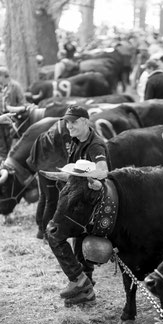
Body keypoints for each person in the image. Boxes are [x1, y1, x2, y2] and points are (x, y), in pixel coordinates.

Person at [49, 105, 110, 306]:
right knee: (77, 245)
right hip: (79, 200)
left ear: (85, 121)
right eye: (67, 122)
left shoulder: (95, 146)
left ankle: (79, 280)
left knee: (54, 234)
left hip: (90, 205)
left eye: (73, 122)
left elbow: (103, 171)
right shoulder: (76, 141)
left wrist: (93, 179)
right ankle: (85, 291)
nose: (69, 126)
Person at [0, 67, 27, 161]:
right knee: (1, 147)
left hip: (13, 120)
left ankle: (10, 165)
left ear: (3, 76)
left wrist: (11, 109)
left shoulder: (15, 86)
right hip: (0, 120)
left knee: (12, 147)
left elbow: (24, 105)